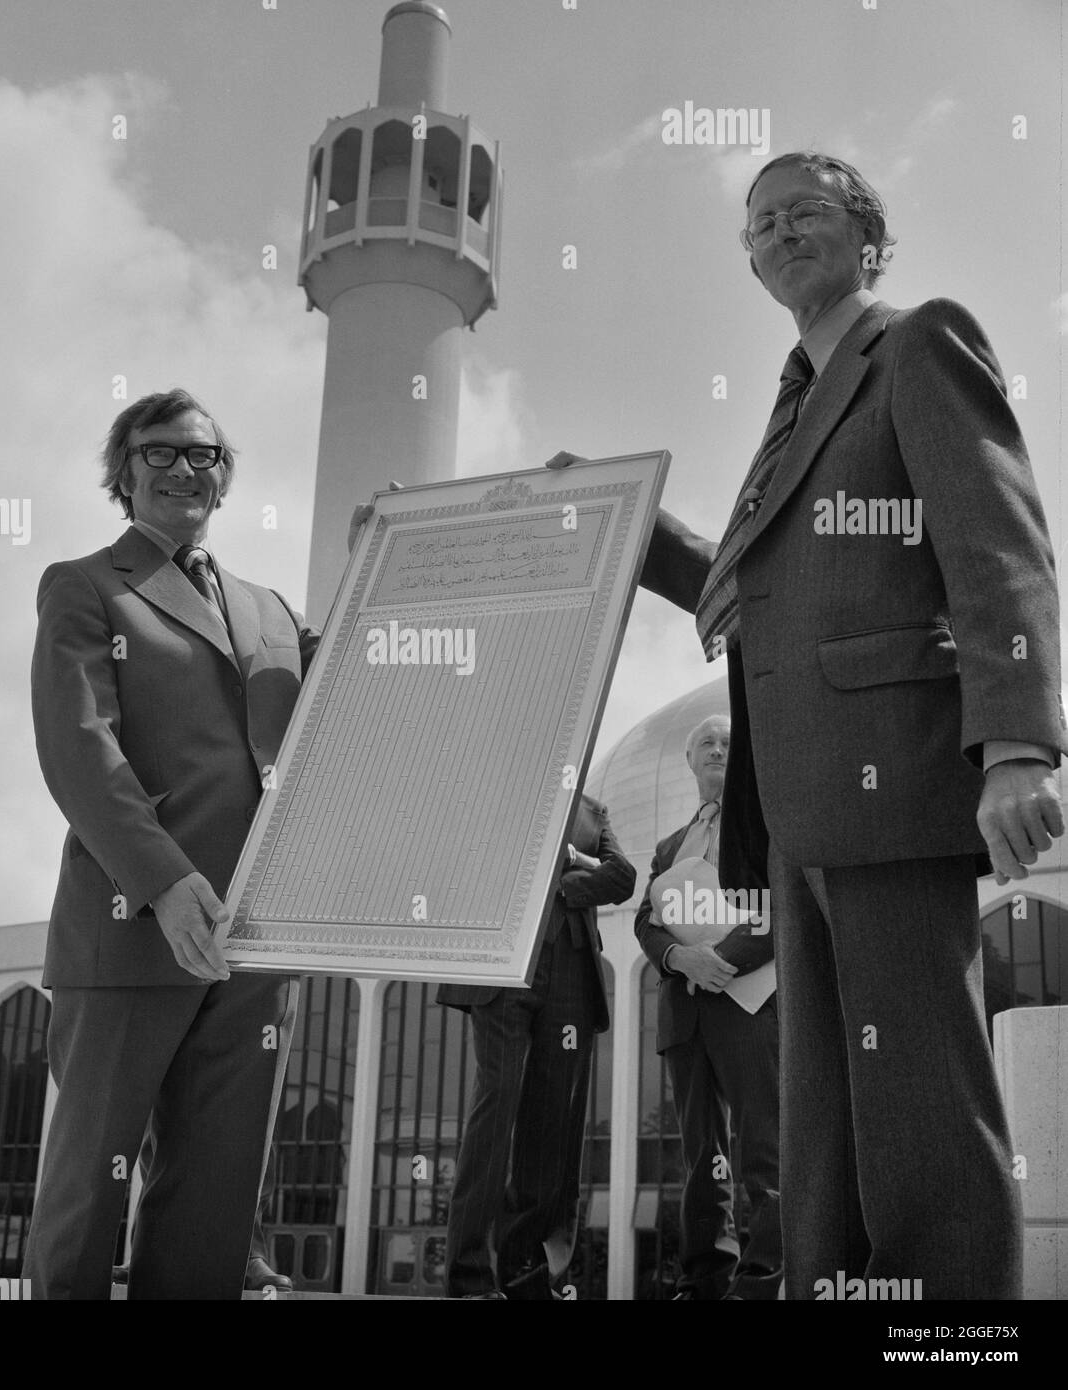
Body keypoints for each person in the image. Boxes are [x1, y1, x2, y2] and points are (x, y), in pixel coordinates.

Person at [553, 151, 1064, 1299]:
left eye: (806, 213)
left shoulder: (917, 346)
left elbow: (999, 545)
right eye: (760, 222)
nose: (780, 233)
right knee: (826, 1106)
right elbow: (750, 590)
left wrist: (1019, 746)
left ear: (870, 239)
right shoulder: (790, 410)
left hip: (893, 772)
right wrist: (625, 522)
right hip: (794, 801)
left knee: (919, 1092)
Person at [24, 389, 318, 1299]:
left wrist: (401, 551)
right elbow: (79, 747)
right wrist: (161, 879)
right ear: (124, 470)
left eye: (207, 456)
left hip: (255, 942)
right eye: (162, 452)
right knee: (88, 1187)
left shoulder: (272, 612)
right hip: (132, 923)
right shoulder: (86, 585)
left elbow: (359, 684)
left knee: (215, 1196)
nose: (187, 469)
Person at [439, 793, 635, 1299]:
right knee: (494, 1113)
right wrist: (570, 864)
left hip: (570, 970)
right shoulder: (494, 787)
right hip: (504, 971)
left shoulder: (593, 811)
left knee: (552, 1129)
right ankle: (468, 1279)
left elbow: (623, 878)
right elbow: (474, 860)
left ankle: (529, 1278)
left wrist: (562, 875)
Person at [634, 715, 780, 1300]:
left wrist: (718, 961)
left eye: (727, 743)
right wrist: (678, 959)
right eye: (706, 745)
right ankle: (704, 1281)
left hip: (750, 1002)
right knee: (703, 1159)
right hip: (685, 1011)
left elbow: (781, 901)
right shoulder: (670, 846)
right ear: (690, 761)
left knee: (764, 1148)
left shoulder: (764, 824)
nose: (717, 750)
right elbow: (647, 918)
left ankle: (764, 1281)